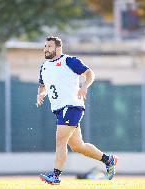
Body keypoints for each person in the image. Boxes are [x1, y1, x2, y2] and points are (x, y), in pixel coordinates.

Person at [36, 36, 118, 185]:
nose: (46, 49)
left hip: (72, 106)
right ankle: (108, 160)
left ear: (58, 48)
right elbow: (43, 86)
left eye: (49, 46)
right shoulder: (44, 66)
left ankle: (55, 176)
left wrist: (84, 87)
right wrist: (40, 94)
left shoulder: (69, 61)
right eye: (45, 46)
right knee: (77, 146)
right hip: (59, 110)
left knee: (60, 140)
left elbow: (90, 74)